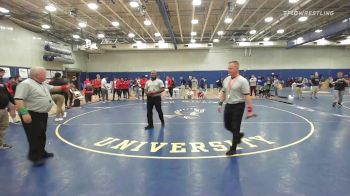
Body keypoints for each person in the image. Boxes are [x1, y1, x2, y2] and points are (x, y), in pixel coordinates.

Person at [14, 67, 70, 166]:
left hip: (42, 114)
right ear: (37, 75)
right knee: (34, 136)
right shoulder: (25, 84)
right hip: (31, 113)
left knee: (41, 134)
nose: (46, 75)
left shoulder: (42, 84)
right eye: (44, 73)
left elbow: (53, 88)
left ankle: (41, 152)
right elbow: (18, 99)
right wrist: (24, 113)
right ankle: (34, 157)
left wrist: (64, 87)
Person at [217, 61, 255, 156]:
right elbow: (223, 92)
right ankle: (238, 135)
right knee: (227, 125)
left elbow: (247, 96)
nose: (228, 70)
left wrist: (250, 110)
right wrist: (220, 103)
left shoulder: (243, 81)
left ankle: (233, 148)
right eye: (228, 68)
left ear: (236, 69)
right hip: (228, 104)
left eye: (230, 68)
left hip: (239, 105)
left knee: (235, 126)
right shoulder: (226, 79)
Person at [0, 68, 15, 149]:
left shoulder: (2, 82)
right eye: (2, 72)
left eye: (3, 72)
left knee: (3, 126)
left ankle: (0, 144)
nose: (3, 74)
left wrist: (13, 102)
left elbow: (7, 93)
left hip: (3, 108)